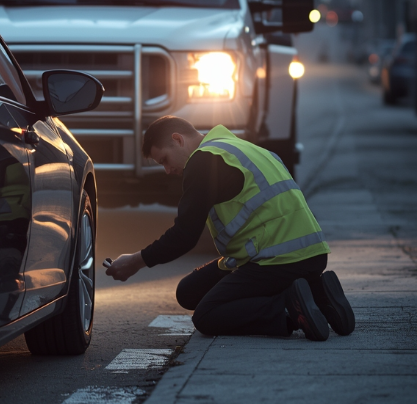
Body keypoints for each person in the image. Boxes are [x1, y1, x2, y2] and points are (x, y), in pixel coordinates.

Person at [105, 116, 355, 341]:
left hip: (279, 259)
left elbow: (184, 235)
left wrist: (135, 262)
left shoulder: (203, 161)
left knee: (207, 316)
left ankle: (290, 309)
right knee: (188, 292)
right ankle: (316, 292)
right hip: (308, 253)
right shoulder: (238, 147)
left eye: (165, 160)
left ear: (178, 139)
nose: (168, 170)